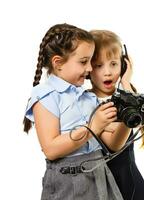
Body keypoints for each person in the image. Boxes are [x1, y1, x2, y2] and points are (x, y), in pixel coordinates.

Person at [23, 23, 123, 200]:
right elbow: (51, 149)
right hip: (69, 182)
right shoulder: (46, 95)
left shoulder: (87, 96)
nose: (90, 69)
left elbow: (113, 144)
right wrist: (92, 127)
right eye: (84, 62)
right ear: (58, 63)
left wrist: (128, 118)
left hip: (99, 174)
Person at [88, 29, 144, 200]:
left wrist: (126, 81)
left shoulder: (125, 95)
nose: (107, 72)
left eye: (114, 64)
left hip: (131, 181)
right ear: (88, 67)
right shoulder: (87, 102)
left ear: (123, 65)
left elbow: (140, 124)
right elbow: (114, 145)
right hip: (105, 185)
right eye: (99, 65)